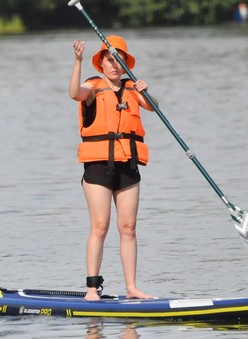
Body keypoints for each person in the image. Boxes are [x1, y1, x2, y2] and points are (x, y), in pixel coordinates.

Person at [69, 36, 156, 301]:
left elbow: (154, 107)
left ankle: (131, 288)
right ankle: (92, 288)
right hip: (97, 168)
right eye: (110, 59)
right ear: (102, 64)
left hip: (127, 166)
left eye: (119, 60)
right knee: (100, 226)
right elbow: (74, 94)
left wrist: (146, 90)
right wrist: (78, 61)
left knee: (128, 227)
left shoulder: (132, 88)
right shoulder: (92, 86)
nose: (115, 65)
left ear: (125, 63)